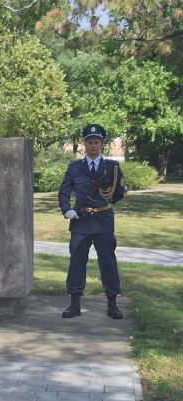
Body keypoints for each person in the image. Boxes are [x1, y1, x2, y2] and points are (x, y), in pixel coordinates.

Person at [58, 124, 128, 320]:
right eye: (90, 142)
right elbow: (63, 193)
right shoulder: (75, 168)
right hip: (80, 221)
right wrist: (67, 210)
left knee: (108, 263)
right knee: (76, 262)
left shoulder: (112, 168)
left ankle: (112, 305)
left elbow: (119, 192)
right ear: (85, 144)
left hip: (104, 221)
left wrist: (103, 204)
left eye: (97, 142)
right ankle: (74, 304)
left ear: (102, 144)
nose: (93, 145)